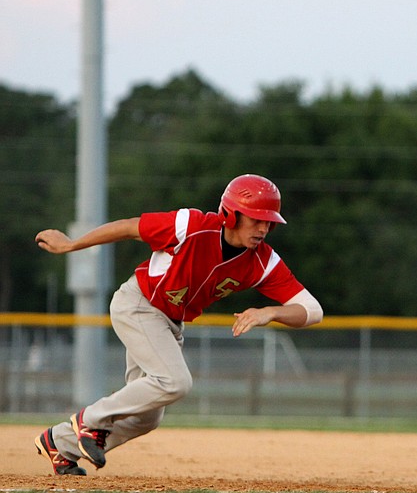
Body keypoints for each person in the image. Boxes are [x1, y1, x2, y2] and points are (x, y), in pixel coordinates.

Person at [33, 174, 323, 476]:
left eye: (269, 222)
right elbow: (130, 228)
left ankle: (59, 443)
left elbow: (313, 310)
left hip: (169, 324)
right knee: (175, 382)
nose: (264, 228)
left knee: (146, 417)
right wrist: (73, 245)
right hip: (139, 305)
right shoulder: (192, 226)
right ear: (231, 214)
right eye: (256, 219)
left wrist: (271, 313)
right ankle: (89, 420)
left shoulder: (262, 261)